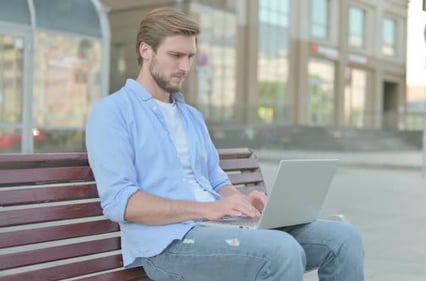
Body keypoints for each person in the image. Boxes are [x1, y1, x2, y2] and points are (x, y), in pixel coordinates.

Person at [86, 7, 364, 281]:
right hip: (169, 244)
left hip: (219, 228)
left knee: (343, 238)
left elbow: (216, 179)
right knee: (281, 250)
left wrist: (238, 201)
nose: (185, 67)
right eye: (175, 55)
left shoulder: (191, 116)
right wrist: (206, 209)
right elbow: (120, 202)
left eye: (190, 56)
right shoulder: (112, 112)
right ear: (146, 50)